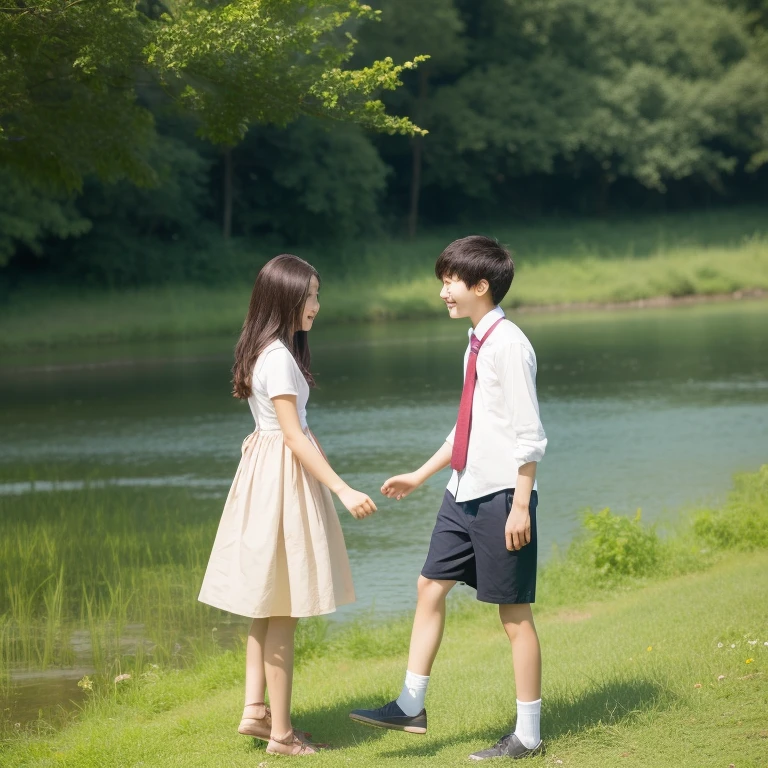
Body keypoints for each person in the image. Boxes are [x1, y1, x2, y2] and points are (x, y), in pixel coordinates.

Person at [349, 236, 547, 760]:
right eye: (443, 281)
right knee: (429, 586)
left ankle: (528, 734)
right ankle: (411, 703)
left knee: (513, 615)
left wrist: (522, 505)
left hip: (503, 497)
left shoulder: (508, 345)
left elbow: (529, 436)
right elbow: (469, 427)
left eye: (450, 282)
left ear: (481, 286)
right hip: (461, 492)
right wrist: (419, 475)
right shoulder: (475, 341)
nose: (443, 292)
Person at [199, 254, 377, 757]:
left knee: (267, 603)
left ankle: (256, 712)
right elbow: (295, 438)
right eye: (311, 296)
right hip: (282, 478)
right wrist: (343, 489)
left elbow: (280, 431)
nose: (317, 306)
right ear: (286, 300)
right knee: (283, 609)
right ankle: (280, 733)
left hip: (269, 472)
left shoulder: (267, 350)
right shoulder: (277, 356)